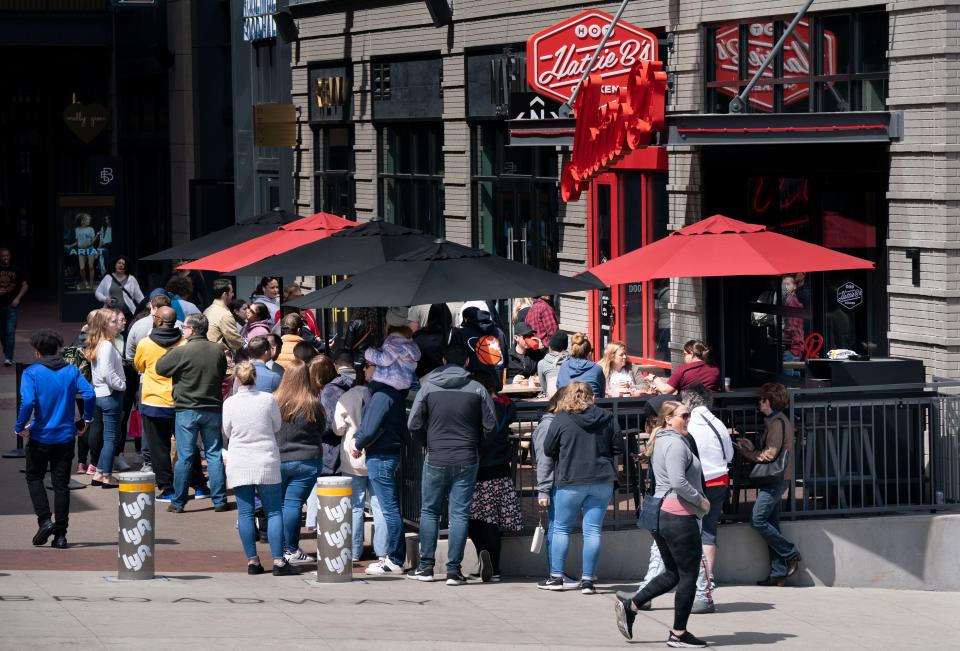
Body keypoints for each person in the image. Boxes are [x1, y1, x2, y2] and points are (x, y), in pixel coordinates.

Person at [614, 401, 710, 647]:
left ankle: (631, 605)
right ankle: (679, 634)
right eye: (683, 415)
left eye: (689, 415)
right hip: (678, 515)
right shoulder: (677, 444)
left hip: (661, 514)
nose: (688, 419)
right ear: (668, 419)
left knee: (673, 573)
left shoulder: (661, 440)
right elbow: (678, 482)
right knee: (688, 575)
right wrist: (701, 501)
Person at [406, 344, 496, 585]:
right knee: (459, 514)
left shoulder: (427, 388)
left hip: (435, 456)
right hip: (467, 457)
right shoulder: (477, 389)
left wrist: (426, 442)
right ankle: (453, 571)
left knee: (429, 510)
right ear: (467, 362)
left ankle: (426, 567)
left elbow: (413, 424)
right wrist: (476, 444)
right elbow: (491, 425)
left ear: (443, 360)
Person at [539, 381, 622, 595]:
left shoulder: (561, 419)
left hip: (570, 479)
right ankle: (587, 581)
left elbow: (548, 449)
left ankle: (556, 577)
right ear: (592, 397)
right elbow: (617, 447)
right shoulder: (607, 418)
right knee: (592, 531)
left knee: (561, 528)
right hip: (601, 478)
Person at [17, 329, 95, 549]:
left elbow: (28, 402)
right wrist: (87, 419)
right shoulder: (71, 371)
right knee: (61, 485)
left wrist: (19, 426)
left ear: (37, 351)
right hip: (65, 436)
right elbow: (89, 394)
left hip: (40, 435)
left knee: (34, 477)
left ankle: (45, 520)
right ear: (57, 348)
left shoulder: (31, 372)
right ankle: (61, 535)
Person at [222, 362, 300, 576]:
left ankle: (252, 561)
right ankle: (278, 561)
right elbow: (277, 426)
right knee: (274, 510)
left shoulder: (229, 403)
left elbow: (227, 431)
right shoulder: (268, 399)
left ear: (237, 379)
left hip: (240, 460)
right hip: (265, 458)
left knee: (245, 512)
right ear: (255, 377)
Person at [155, 313, 230, 513]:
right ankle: (220, 500)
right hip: (212, 408)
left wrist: (176, 350)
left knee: (185, 456)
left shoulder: (182, 351)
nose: (182, 330)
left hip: (186, 409)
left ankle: (179, 502)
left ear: (192, 329)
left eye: (185, 327)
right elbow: (221, 372)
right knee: (214, 455)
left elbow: (160, 368)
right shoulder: (217, 350)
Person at [134, 307, 205, 502]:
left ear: (157, 320)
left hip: (153, 401)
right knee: (188, 446)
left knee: (159, 449)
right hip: (180, 400)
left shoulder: (145, 344)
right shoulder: (184, 342)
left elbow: (139, 366)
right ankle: (199, 485)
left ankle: (167, 489)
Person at [734, 382, 801, 586]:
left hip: (775, 478)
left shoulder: (777, 422)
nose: (759, 403)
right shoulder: (775, 420)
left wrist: (747, 452)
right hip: (776, 477)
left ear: (768, 402)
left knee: (758, 519)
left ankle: (791, 553)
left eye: (761, 400)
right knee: (770, 523)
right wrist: (753, 447)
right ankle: (778, 573)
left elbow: (771, 454)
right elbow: (771, 451)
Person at [353, 359, 408, 575]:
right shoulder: (387, 394)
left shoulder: (382, 395)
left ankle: (394, 559)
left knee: (388, 509)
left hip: (381, 455)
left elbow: (369, 428)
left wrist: (358, 443)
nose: (365, 369)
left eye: (368, 365)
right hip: (385, 453)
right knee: (388, 507)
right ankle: (391, 557)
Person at [683, 382, 734, 613]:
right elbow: (729, 454)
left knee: (690, 531)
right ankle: (708, 579)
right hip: (719, 480)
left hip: (695, 483)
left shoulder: (686, 423)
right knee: (709, 531)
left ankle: (695, 579)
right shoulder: (717, 423)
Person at [468, 370, 523, 583]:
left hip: (478, 468)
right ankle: (495, 568)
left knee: (471, 518)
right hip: (500, 467)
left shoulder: (478, 407)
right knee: (492, 521)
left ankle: (483, 553)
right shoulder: (507, 406)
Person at [334, 360, 388, 565]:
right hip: (376, 455)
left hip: (352, 458)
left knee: (355, 506)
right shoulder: (380, 396)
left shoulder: (346, 397)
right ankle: (382, 551)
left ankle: (355, 551)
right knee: (380, 505)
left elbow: (338, 428)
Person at [272, 359, 324, 565]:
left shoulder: (273, 401)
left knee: (280, 505)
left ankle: (283, 548)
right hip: (307, 459)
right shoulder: (312, 404)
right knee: (293, 505)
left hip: (278, 459)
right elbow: (321, 429)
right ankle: (291, 548)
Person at [85, 308, 126, 489]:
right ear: (103, 325)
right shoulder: (106, 345)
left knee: (108, 437)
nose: (116, 324)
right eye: (112, 321)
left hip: (101, 394)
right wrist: (122, 385)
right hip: (110, 394)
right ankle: (107, 476)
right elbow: (106, 373)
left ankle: (100, 473)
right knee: (111, 438)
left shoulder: (99, 343)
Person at [364, 307, 421, 391]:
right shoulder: (408, 341)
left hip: (392, 380)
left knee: (367, 391)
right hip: (405, 380)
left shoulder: (393, 342)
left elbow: (385, 360)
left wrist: (369, 353)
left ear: (389, 324)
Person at [317, 354, 352, 476]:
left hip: (330, 453)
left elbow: (329, 423)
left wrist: (313, 430)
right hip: (342, 450)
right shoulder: (344, 385)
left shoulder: (329, 390)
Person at [453, 306, 507, 388]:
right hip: (495, 384)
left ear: (466, 319)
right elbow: (505, 359)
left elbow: (457, 361)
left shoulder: (461, 334)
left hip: (471, 385)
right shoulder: (498, 332)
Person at [204, 278, 244, 379]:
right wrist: (245, 342)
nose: (233, 295)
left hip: (207, 359)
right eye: (231, 292)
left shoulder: (207, 310)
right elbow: (235, 342)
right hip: (222, 364)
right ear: (225, 294)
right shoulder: (225, 314)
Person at [651, 339, 721, 395]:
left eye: (685, 354)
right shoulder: (715, 370)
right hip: (710, 407)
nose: (684, 357)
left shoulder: (683, 370)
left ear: (692, 354)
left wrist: (654, 378)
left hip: (687, 408)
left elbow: (665, 391)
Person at [125, 294, 175, 362]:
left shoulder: (139, 325)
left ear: (154, 308)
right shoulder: (179, 325)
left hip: (146, 368)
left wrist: (141, 371)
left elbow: (130, 356)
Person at [0, 247, 28, 366]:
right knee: (2, 333)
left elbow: (25, 285)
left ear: (10, 256)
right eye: (3, 256)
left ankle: (8, 358)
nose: (6, 258)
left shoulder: (16, 270)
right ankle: (7, 351)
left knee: (10, 332)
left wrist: (17, 298)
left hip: (11, 306)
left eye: (7, 256)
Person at [94, 256, 144, 320]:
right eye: (119, 263)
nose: (121, 265)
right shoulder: (108, 277)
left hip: (128, 314)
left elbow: (139, 297)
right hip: (110, 314)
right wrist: (105, 299)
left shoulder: (131, 279)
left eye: (123, 264)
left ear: (126, 268)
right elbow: (97, 292)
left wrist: (147, 307)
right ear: (115, 264)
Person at [556, 333, 605, 398]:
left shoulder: (563, 366)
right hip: (591, 406)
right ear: (589, 353)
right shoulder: (597, 369)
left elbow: (558, 390)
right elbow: (601, 395)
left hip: (566, 406)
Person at [412, 303, 454, 378]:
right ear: (448, 316)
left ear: (430, 316)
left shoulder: (417, 336)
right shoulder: (456, 334)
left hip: (424, 380)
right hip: (450, 378)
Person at [67, 212, 97, 290]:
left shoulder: (91, 229)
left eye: (89, 219)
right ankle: (85, 282)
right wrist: (70, 246)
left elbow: (93, 239)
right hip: (81, 250)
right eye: (87, 219)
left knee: (91, 266)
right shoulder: (77, 229)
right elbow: (78, 241)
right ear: (82, 220)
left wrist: (94, 239)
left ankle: (91, 283)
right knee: (82, 268)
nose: (89, 221)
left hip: (90, 249)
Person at [507, 321, 543, 385]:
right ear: (516, 338)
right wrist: (512, 380)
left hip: (533, 392)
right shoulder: (507, 356)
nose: (529, 339)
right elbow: (499, 379)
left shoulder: (536, 353)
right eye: (525, 336)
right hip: (513, 393)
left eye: (531, 336)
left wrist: (541, 347)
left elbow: (547, 367)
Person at [781, 275, 805, 376]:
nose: (785, 287)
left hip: (791, 345)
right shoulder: (792, 299)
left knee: (789, 379)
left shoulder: (791, 300)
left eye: (788, 284)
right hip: (796, 345)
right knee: (796, 377)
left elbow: (792, 325)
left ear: (794, 286)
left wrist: (787, 340)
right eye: (784, 285)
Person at [537, 330, 568, 398]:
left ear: (550, 346)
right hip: (570, 399)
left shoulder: (542, 363)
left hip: (553, 401)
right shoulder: (572, 361)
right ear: (565, 347)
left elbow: (545, 388)